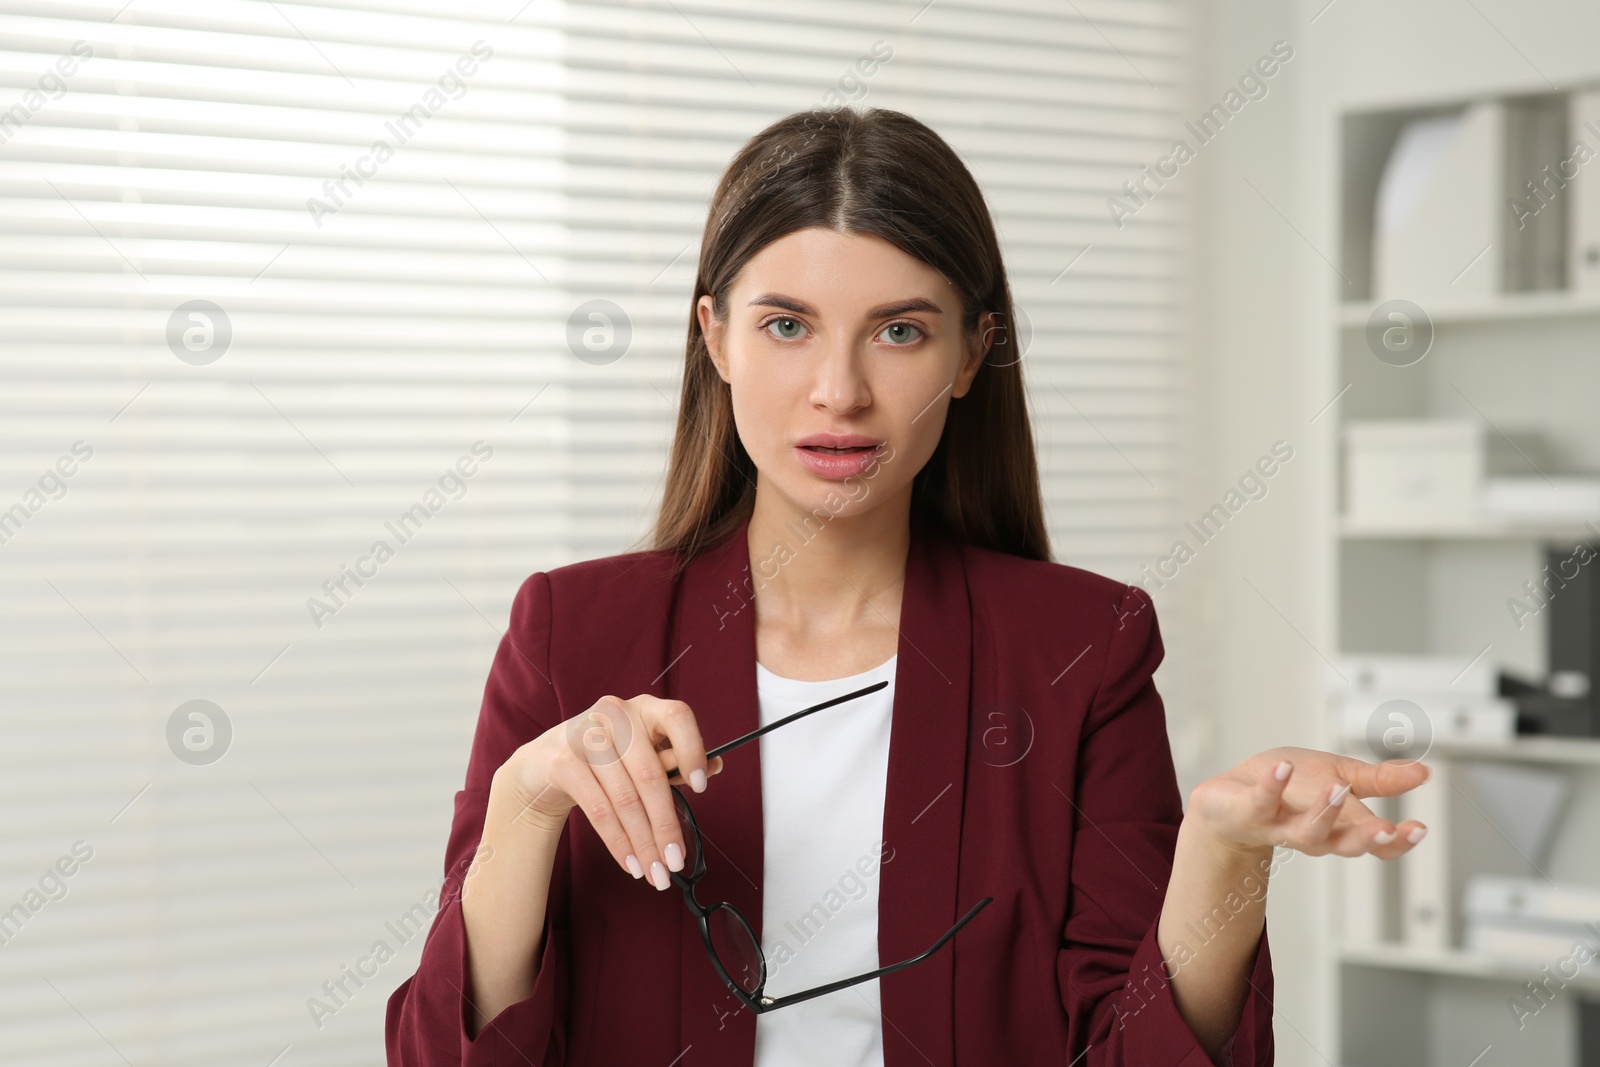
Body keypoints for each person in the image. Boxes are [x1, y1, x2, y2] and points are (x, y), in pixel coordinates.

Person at [385, 106, 1431, 1067]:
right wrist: (528, 803)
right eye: (785, 325)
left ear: (973, 352)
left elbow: (1131, 1052)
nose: (838, 390)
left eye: (899, 331)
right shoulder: (572, 629)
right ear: (714, 339)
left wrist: (1224, 853)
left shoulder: (1083, 646)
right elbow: (441, 1053)